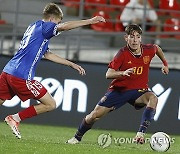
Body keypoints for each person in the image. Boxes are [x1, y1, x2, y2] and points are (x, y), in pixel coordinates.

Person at [0, 3, 105, 139]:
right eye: (57, 22)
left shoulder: (34, 27)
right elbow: (65, 27)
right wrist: (90, 21)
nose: (57, 26)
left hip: (8, 71)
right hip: (22, 75)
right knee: (50, 104)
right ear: (51, 19)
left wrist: (71, 64)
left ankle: (15, 118)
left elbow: (48, 54)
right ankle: (15, 118)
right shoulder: (46, 27)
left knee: (1, 99)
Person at [67, 24, 169, 144]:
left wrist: (165, 64)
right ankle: (77, 137)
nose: (135, 40)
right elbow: (108, 74)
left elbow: (157, 48)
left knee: (153, 98)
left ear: (141, 38)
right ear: (126, 38)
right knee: (94, 116)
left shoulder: (148, 50)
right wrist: (122, 73)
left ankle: (140, 134)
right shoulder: (122, 53)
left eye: (137, 36)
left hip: (139, 90)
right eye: (132, 37)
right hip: (120, 91)